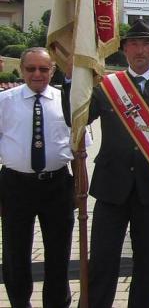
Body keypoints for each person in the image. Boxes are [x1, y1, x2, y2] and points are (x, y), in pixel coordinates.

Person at [62, 19, 149, 308]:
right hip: (111, 190)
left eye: (147, 44)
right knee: (103, 261)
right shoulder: (106, 87)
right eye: (133, 43)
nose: (140, 50)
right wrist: (72, 80)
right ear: (123, 50)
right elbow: (76, 118)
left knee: (146, 264)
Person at [0, 48, 74, 308]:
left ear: (52, 70)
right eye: (31, 69)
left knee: (59, 251)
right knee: (15, 251)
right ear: (21, 70)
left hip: (57, 185)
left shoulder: (67, 100)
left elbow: (81, 144)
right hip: (15, 185)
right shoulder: (4, 101)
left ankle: (57, 302)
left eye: (43, 69)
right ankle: (20, 302)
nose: (37, 74)